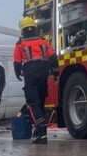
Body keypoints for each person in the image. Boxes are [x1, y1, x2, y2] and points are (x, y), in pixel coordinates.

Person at [13, 16, 57, 144]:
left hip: (30, 73)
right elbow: (53, 57)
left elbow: (17, 62)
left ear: (23, 30)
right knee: (41, 101)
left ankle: (41, 131)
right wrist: (55, 72)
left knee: (33, 103)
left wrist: (17, 73)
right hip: (44, 72)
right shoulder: (43, 41)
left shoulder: (20, 44)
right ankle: (41, 133)